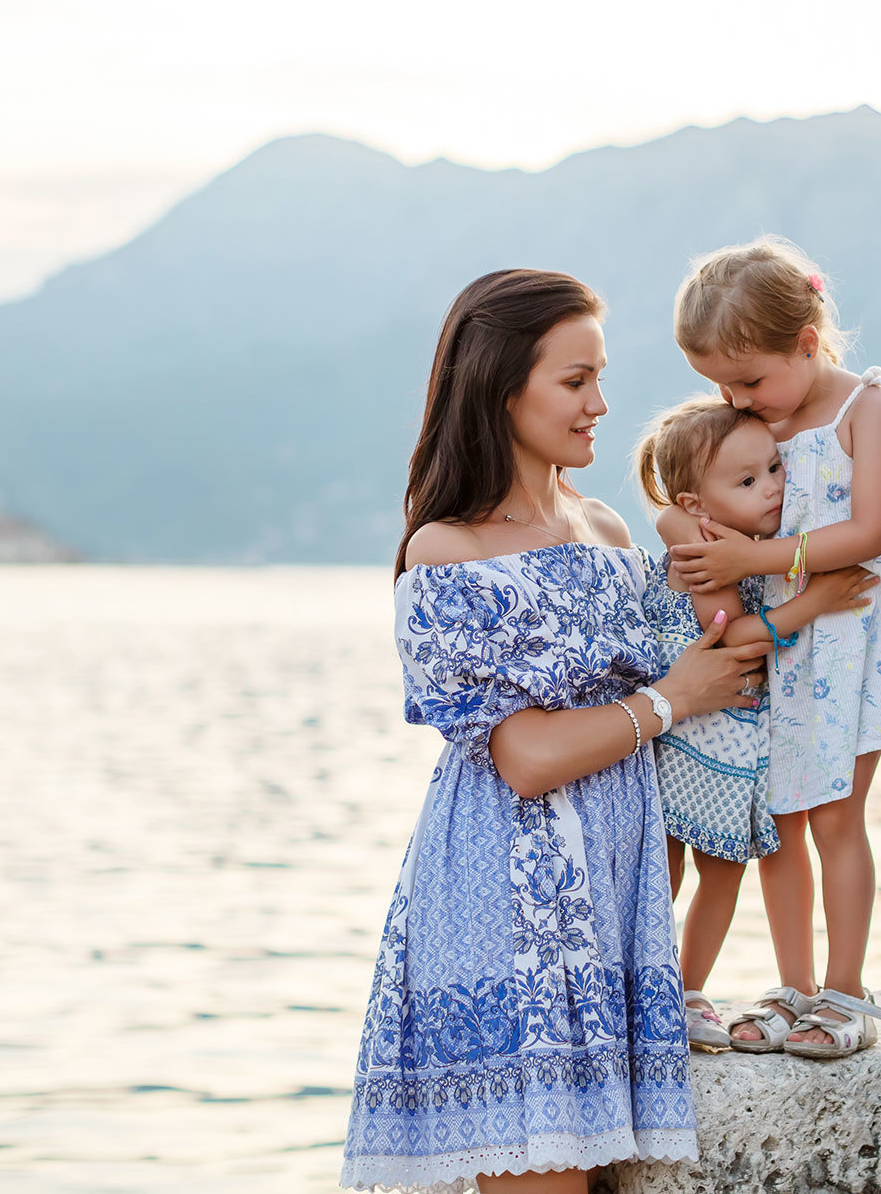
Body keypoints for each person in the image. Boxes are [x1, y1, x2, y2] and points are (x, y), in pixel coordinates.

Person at [340, 270, 771, 1194]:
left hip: (613, 892)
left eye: (599, 378)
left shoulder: (612, 530)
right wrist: (672, 699)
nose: (600, 405)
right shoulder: (447, 550)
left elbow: (711, 648)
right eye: (576, 381)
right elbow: (526, 757)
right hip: (510, 902)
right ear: (503, 388)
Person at [666, 236, 881, 1059]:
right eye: (718, 382)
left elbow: (870, 531)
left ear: (809, 343)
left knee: (837, 815)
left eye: (747, 379)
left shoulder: (867, 411)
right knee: (781, 819)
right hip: (788, 645)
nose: (733, 397)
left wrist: (754, 557)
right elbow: (675, 489)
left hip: (852, 639)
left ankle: (845, 989)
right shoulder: (758, 420)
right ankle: (793, 985)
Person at [632, 395, 879, 1049]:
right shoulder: (700, 540)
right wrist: (817, 598)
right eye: (747, 481)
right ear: (696, 503)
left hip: (734, 743)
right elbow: (729, 633)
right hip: (684, 738)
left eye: (774, 469)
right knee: (666, 869)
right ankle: (647, 989)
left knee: (723, 873)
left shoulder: (759, 539)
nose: (772, 488)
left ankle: (686, 988)